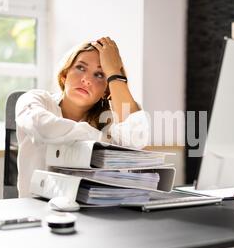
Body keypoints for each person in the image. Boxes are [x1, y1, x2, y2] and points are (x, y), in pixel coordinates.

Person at [15, 37, 150, 197]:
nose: (86, 80)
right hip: (36, 213)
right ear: (64, 75)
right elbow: (43, 128)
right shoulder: (35, 100)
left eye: (99, 74)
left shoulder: (110, 122)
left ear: (106, 91)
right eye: (80, 68)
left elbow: (137, 141)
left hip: (91, 215)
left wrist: (114, 72)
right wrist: (99, 141)